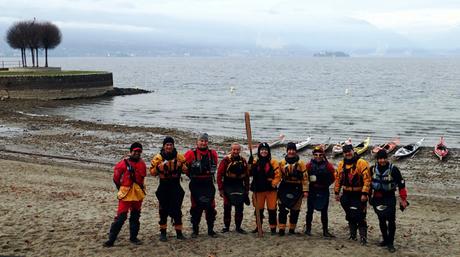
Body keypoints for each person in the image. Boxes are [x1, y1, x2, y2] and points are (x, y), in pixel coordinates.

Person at [103, 142, 147, 247]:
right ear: (130, 152)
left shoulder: (142, 164)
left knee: (136, 216)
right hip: (126, 194)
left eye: (139, 151)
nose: (137, 153)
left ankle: (133, 238)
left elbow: (142, 178)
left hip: (137, 193)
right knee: (121, 217)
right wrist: (121, 189)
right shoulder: (122, 164)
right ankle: (111, 239)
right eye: (135, 151)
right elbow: (116, 178)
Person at [150, 136, 188, 242]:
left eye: (171, 144)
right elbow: (152, 172)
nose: (169, 146)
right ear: (164, 146)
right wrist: (158, 168)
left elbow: (187, 171)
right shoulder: (158, 158)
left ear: (173, 145)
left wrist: (182, 166)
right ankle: (163, 233)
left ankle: (179, 233)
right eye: (167, 144)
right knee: (163, 210)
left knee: (177, 210)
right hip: (163, 186)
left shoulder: (179, 157)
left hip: (176, 186)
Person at [370, 149, 408, 253]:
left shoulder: (394, 169)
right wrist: (368, 198)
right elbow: (368, 185)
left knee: (391, 220)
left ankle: (390, 243)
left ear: (387, 158)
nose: (382, 160)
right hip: (377, 198)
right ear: (377, 159)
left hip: (389, 197)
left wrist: (403, 199)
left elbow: (401, 184)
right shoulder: (372, 169)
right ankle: (385, 240)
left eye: (384, 158)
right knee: (381, 219)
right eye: (380, 158)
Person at [334, 144, 371, 245]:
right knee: (350, 215)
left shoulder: (361, 163)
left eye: (349, 151)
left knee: (360, 215)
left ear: (353, 151)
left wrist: (364, 193)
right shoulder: (341, 164)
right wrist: (336, 192)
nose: (348, 154)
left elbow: (367, 179)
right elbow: (338, 179)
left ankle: (363, 237)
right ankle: (353, 235)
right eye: (345, 152)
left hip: (359, 193)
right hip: (346, 193)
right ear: (343, 153)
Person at [184, 133, 219, 238]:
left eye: (205, 141)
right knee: (196, 207)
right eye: (201, 141)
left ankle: (210, 230)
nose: (203, 143)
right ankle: (195, 230)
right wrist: (192, 175)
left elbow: (215, 166)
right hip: (196, 183)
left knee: (211, 206)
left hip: (208, 182)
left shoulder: (213, 154)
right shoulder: (190, 154)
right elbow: (184, 167)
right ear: (197, 142)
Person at [217, 142, 250, 234]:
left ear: (240, 150)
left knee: (239, 207)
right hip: (228, 185)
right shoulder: (225, 161)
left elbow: (247, 176)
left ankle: (238, 227)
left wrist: (247, 189)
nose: (236, 151)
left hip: (239, 186)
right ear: (231, 150)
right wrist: (220, 189)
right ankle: (226, 227)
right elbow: (219, 175)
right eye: (234, 149)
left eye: (237, 149)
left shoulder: (243, 161)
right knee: (227, 207)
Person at [248, 142, 280, 235]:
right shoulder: (255, 161)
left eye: (265, 150)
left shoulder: (273, 162)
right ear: (259, 151)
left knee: (272, 209)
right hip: (258, 189)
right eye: (262, 150)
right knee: (259, 209)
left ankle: (273, 228)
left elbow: (278, 176)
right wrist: (249, 163)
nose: (264, 152)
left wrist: (273, 184)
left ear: (268, 152)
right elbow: (249, 173)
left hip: (270, 190)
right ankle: (258, 227)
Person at [277, 142, 308, 236]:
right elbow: (279, 176)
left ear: (295, 151)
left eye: (293, 150)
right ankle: (281, 229)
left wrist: (305, 190)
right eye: (289, 150)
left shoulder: (301, 163)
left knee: (295, 210)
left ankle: (292, 229)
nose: (291, 152)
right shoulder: (282, 163)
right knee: (282, 209)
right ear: (287, 151)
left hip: (297, 187)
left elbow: (305, 178)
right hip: (285, 186)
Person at [305, 145, 336, 237]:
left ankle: (325, 231)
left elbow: (334, 177)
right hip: (312, 189)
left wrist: (327, 184)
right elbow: (304, 177)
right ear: (313, 155)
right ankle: (308, 229)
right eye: (316, 154)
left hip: (324, 189)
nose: (318, 156)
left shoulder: (328, 166)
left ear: (323, 155)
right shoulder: (309, 165)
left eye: (320, 155)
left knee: (324, 210)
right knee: (309, 210)